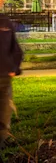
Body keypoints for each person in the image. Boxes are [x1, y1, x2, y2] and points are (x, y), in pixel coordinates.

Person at [0, 15, 24, 146]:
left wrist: (14, 67)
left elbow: (15, 49)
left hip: (4, 78)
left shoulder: (4, 22)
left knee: (3, 119)